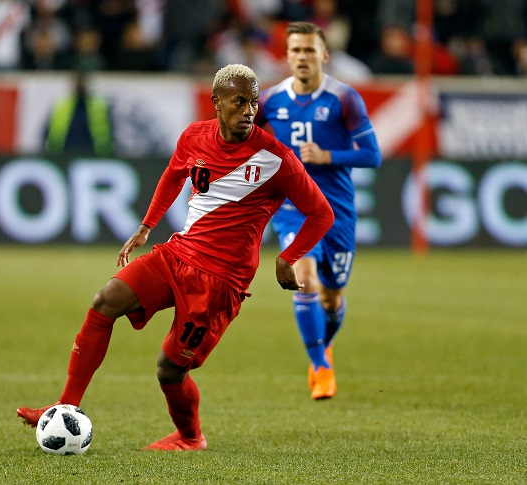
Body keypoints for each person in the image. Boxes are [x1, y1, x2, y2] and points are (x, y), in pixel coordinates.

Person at [17, 64, 334, 450]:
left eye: (253, 103)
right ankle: (65, 405)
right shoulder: (194, 136)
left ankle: (190, 437)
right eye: (239, 102)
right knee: (105, 302)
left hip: (220, 282)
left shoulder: (276, 158)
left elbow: (321, 213)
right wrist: (147, 226)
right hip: (178, 253)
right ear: (217, 103)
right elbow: (173, 174)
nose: (248, 111)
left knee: (169, 370)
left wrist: (288, 258)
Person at [258, 21, 382, 400]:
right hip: (294, 208)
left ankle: (322, 346)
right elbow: (244, 143)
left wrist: (329, 156)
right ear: (287, 55)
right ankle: (321, 366)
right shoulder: (269, 100)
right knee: (304, 276)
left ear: (324, 56)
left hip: (337, 208)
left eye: (309, 50)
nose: (302, 57)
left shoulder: (344, 98)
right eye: (295, 50)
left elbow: (372, 154)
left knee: (331, 297)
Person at [43, 71, 114, 156]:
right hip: (65, 153)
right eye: (78, 83)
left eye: (82, 83)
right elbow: (48, 130)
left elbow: (108, 131)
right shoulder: (62, 105)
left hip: (92, 154)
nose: (80, 85)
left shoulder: (98, 105)